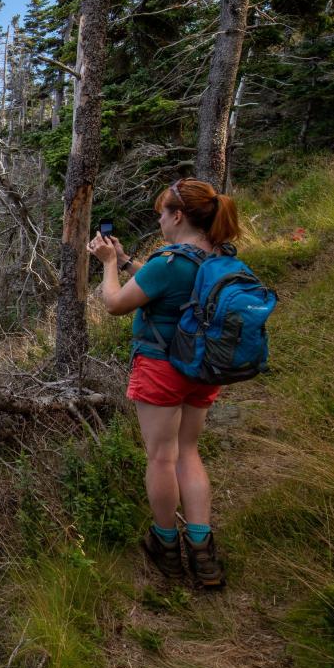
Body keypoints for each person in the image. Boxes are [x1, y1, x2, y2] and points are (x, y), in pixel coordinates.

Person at [86, 178, 241, 588]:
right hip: (203, 368)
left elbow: (117, 304)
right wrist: (124, 261)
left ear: (177, 216)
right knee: (188, 452)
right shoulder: (218, 256)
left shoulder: (169, 262)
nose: (159, 219)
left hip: (161, 367)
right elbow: (163, 285)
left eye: (162, 212)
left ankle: (167, 547)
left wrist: (105, 264)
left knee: (161, 457)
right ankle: (203, 553)